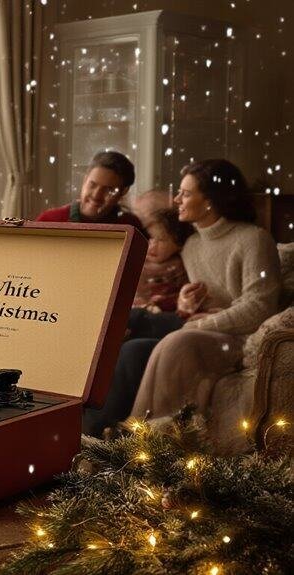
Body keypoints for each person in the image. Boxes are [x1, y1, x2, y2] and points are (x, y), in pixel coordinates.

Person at [83, 159, 280, 436]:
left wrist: (197, 324)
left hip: (237, 337)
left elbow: (259, 307)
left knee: (174, 340)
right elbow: (199, 299)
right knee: (131, 348)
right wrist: (185, 305)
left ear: (211, 200)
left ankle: (140, 437)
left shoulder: (253, 240)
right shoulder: (193, 245)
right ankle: (93, 436)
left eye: (186, 194)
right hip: (202, 327)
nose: (177, 200)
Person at [36, 151, 145, 232]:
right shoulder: (49, 221)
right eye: (92, 185)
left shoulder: (131, 227)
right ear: (85, 180)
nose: (96, 195)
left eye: (108, 190)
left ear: (123, 192)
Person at [131, 207, 193, 314]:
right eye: (150, 238)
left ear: (178, 244)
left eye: (161, 240)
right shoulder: (136, 260)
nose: (153, 245)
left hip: (164, 312)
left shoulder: (178, 265)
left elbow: (183, 294)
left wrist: (163, 303)